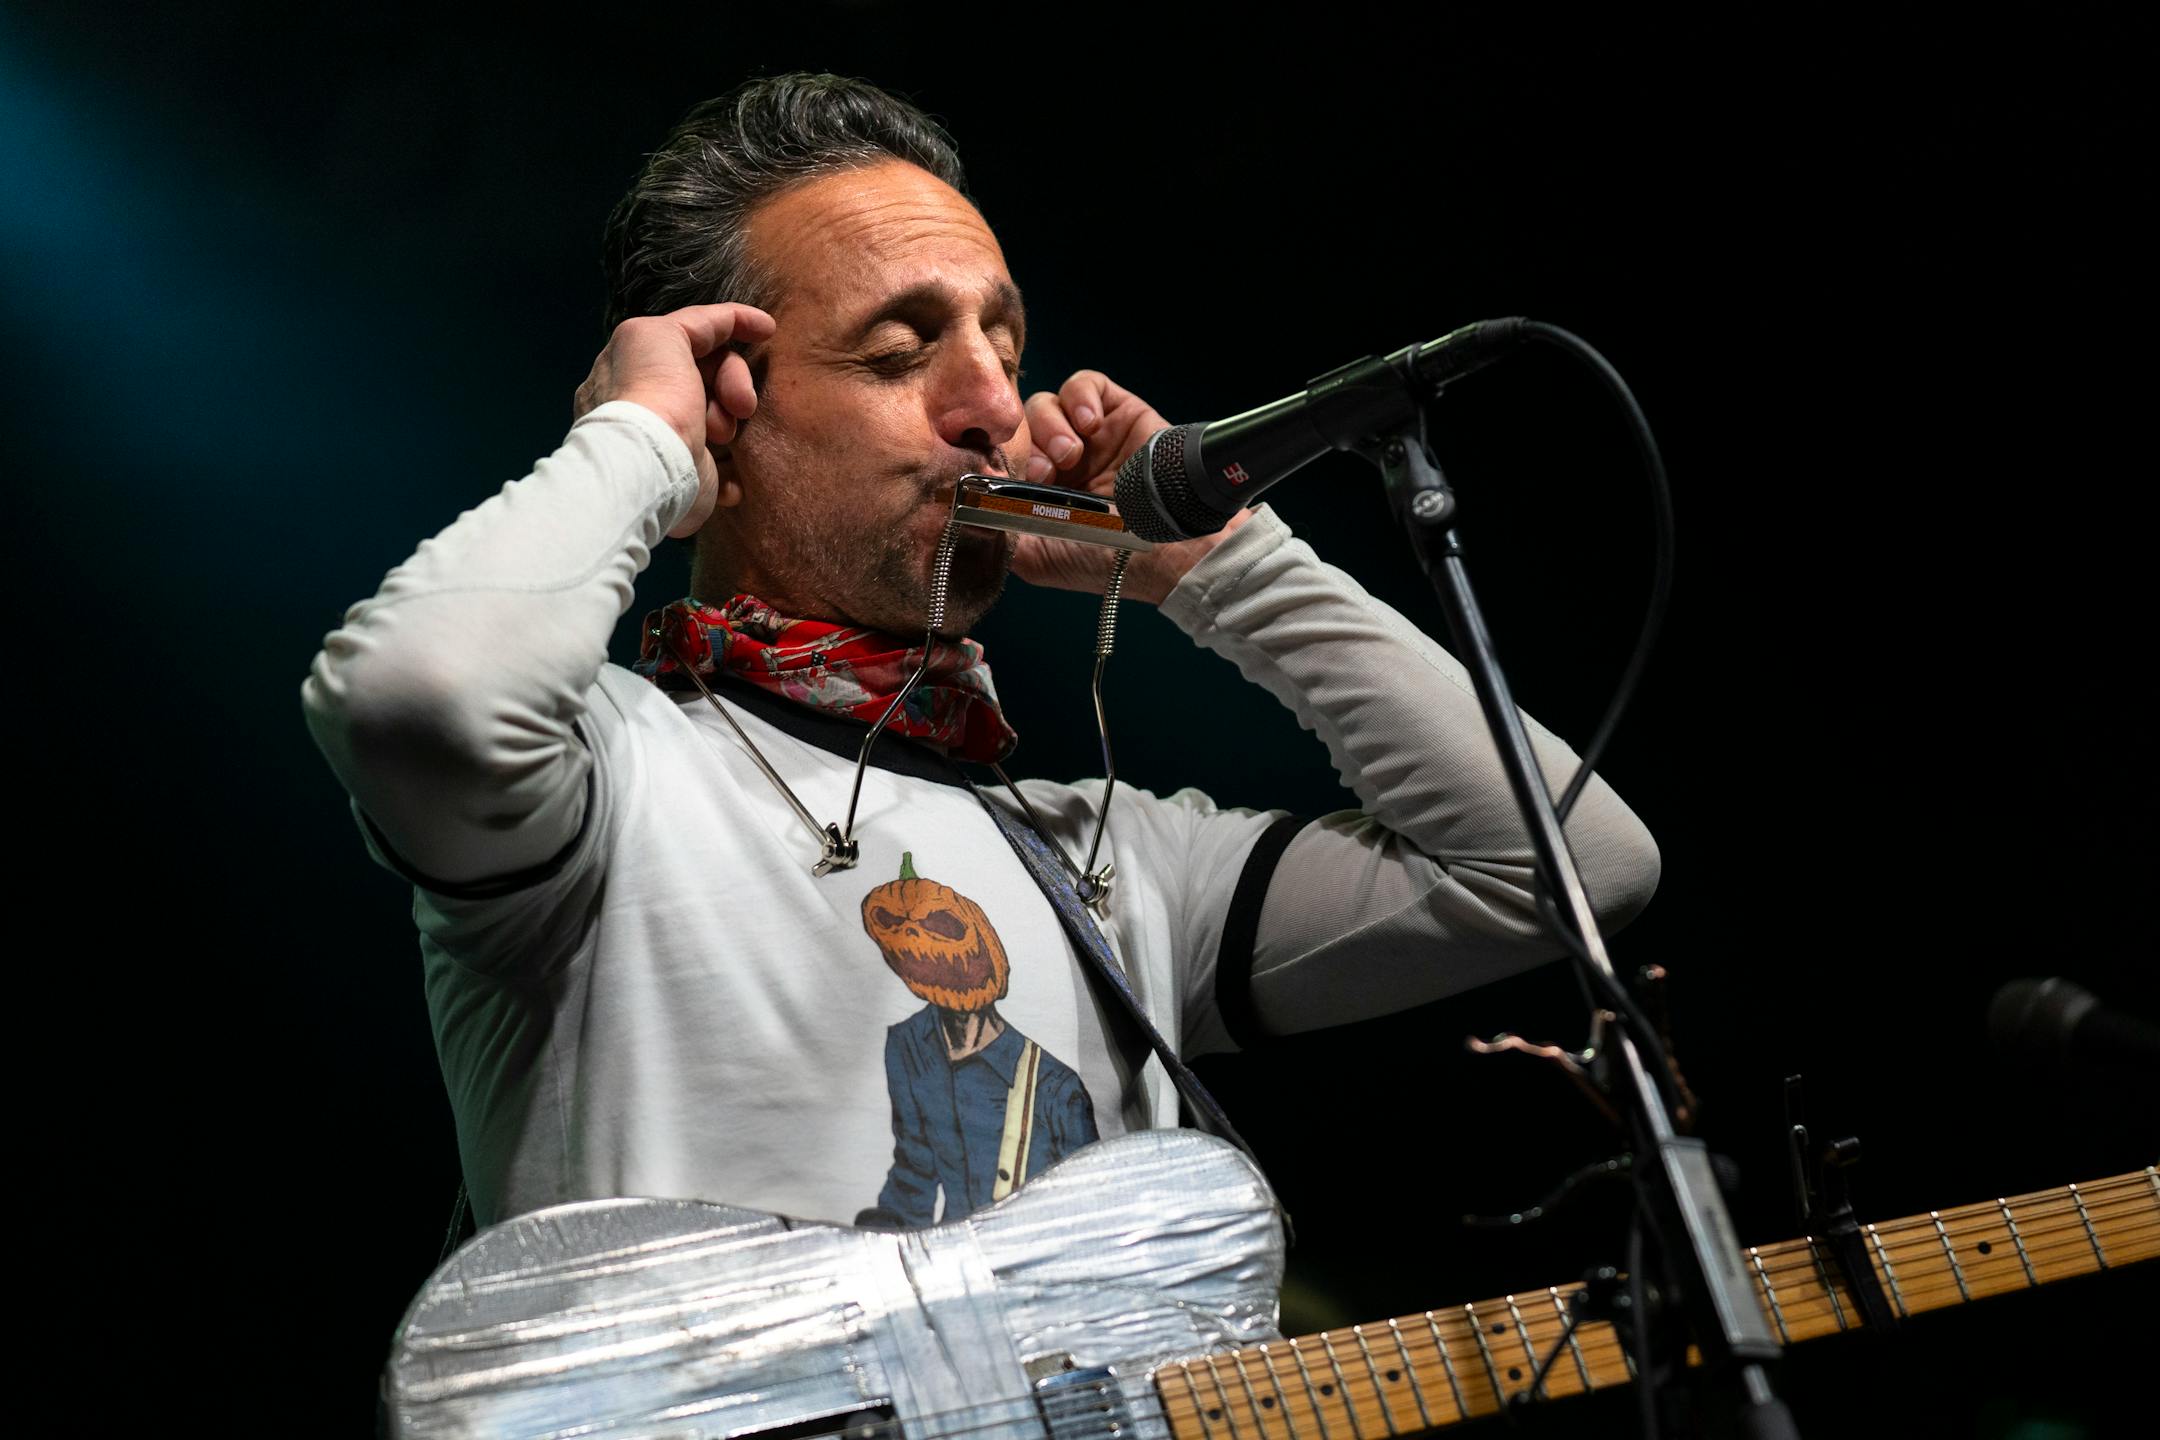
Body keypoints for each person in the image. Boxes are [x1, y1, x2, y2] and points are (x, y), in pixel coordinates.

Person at [300, 73, 1661, 1234]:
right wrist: (642, 444)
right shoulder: (604, 783)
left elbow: (1570, 868)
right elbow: (426, 695)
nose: (992, 405)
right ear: (735, 419)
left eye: (1002, 341)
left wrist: (1222, 565)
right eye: (904, 355)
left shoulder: (1113, 864)